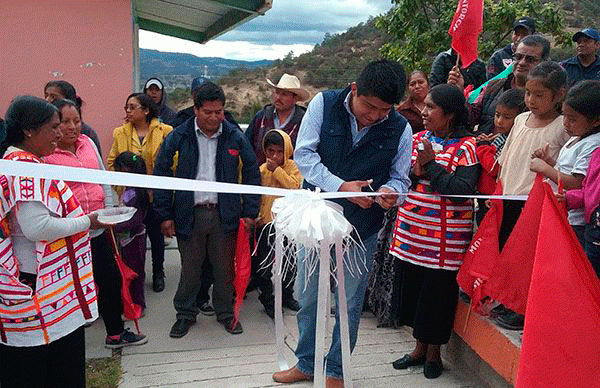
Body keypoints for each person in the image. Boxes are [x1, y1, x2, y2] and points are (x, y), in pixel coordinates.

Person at [272, 59, 412, 388]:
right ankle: (306, 362)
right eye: (370, 106)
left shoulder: (401, 128)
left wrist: (391, 193)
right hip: (316, 223)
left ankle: (336, 370)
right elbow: (305, 157)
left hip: (361, 229)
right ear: (354, 89)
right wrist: (340, 187)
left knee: (348, 304)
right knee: (307, 297)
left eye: (384, 110)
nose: (375, 116)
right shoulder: (323, 104)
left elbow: (400, 179)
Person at [0, 96, 101, 387]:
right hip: (36, 287)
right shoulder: (23, 167)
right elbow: (37, 227)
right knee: (47, 370)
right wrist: (88, 221)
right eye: (53, 127)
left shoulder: (26, 162)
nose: (60, 134)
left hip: (45, 286)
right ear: (29, 131)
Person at [153, 80, 260, 338]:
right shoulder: (179, 136)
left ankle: (226, 313)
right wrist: (165, 214)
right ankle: (185, 315)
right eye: (208, 112)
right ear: (196, 110)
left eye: (219, 112)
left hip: (225, 214)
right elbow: (161, 172)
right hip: (190, 214)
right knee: (191, 269)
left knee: (224, 269)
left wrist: (249, 211)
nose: (214, 118)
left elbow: (252, 173)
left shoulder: (234, 136)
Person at [389, 84, 479, 380]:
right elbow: (401, 180)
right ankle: (417, 349)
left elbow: (461, 193)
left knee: (436, 298)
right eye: (424, 106)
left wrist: (431, 167)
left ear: (450, 115)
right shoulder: (415, 139)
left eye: (431, 108)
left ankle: (434, 355)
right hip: (412, 235)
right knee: (414, 293)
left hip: (445, 243)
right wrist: (417, 171)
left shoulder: (466, 147)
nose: (424, 112)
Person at [45, 98, 147, 349]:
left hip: (98, 229)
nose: (71, 127)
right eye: (65, 122)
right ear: (54, 125)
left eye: (76, 120)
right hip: (68, 235)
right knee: (71, 287)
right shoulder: (47, 156)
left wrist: (110, 211)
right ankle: (67, 339)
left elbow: (102, 179)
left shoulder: (88, 143)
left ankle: (115, 334)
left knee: (110, 279)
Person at [493, 61, 570, 330]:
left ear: (559, 94)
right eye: (528, 93)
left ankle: (523, 307)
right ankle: (507, 298)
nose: (531, 100)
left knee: (528, 257)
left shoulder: (563, 126)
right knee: (507, 250)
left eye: (539, 95)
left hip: (534, 203)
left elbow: (562, 167)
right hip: (508, 197)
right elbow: (508, 157)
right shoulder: (521, 120)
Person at [107, 93, 173, 292]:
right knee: (134, 237)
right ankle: (136, 274)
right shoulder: (120, 133)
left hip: (155, 195)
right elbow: (112, 163)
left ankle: (158, 272)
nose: (128, 111)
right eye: (126, 107)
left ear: (146, 110)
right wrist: (123, 189)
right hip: (132, 198)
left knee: (156, 235)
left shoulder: (165, 131)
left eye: (132, 107)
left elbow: (173, 162)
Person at [532, 80, 600, 245]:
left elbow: (578, 182)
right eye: (564, 116)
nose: (565, 123)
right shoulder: (577, 138)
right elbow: (569, 170)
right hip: (563, 214)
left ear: (596, 121)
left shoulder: (593, 144)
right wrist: (550, 162)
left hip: (577, 221)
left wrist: (545, 168)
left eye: (573, 119)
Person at [254, 129, 302, 319]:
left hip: (288, 224)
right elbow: (257, 196)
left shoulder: (293, 167)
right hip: (266, 224)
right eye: (271, 151)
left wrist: (278, 171)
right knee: (265, 264)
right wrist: (257, 215)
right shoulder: (261, 170)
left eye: (279, 152)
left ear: (287, 151)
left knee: (290, 263)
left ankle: (287, 295)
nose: (274, 156)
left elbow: (295, 186)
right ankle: (267, 298)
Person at [468, 34, 550, 134]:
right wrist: (458, 92)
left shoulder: (546, 98)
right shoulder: (493, 87)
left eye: (530, 59)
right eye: (518, 57)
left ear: (544, 63)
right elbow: (468, 119)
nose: (522, 62)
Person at [475, 89, 526, 223]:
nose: (499, 121)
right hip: (484, 195)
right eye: (497, 115)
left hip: (496, 198)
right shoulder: (500, 137)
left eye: (507, 117)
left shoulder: (512, 141)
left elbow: (494, 168)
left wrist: (483, 147)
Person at [113, 151, 151, 310]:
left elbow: (134, 219)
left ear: (126, 171)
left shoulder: (133, 192)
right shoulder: (131, 189)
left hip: (133, 239)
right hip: (129, 238)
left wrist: (114, 224)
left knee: (135, 273)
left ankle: (138, 304)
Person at [245, 73, 309, 164]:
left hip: (291, 177)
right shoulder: (261, 117)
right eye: (277, 92)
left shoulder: (304, 122)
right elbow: (246, 145)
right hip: (260, 175)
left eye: (284, 94)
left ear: (295, 98)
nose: (278, 98)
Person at [43, 80, 102, 154]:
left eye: (54, 97)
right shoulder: (41, 130)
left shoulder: (87, 135)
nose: (47, 100)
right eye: (46, 96)